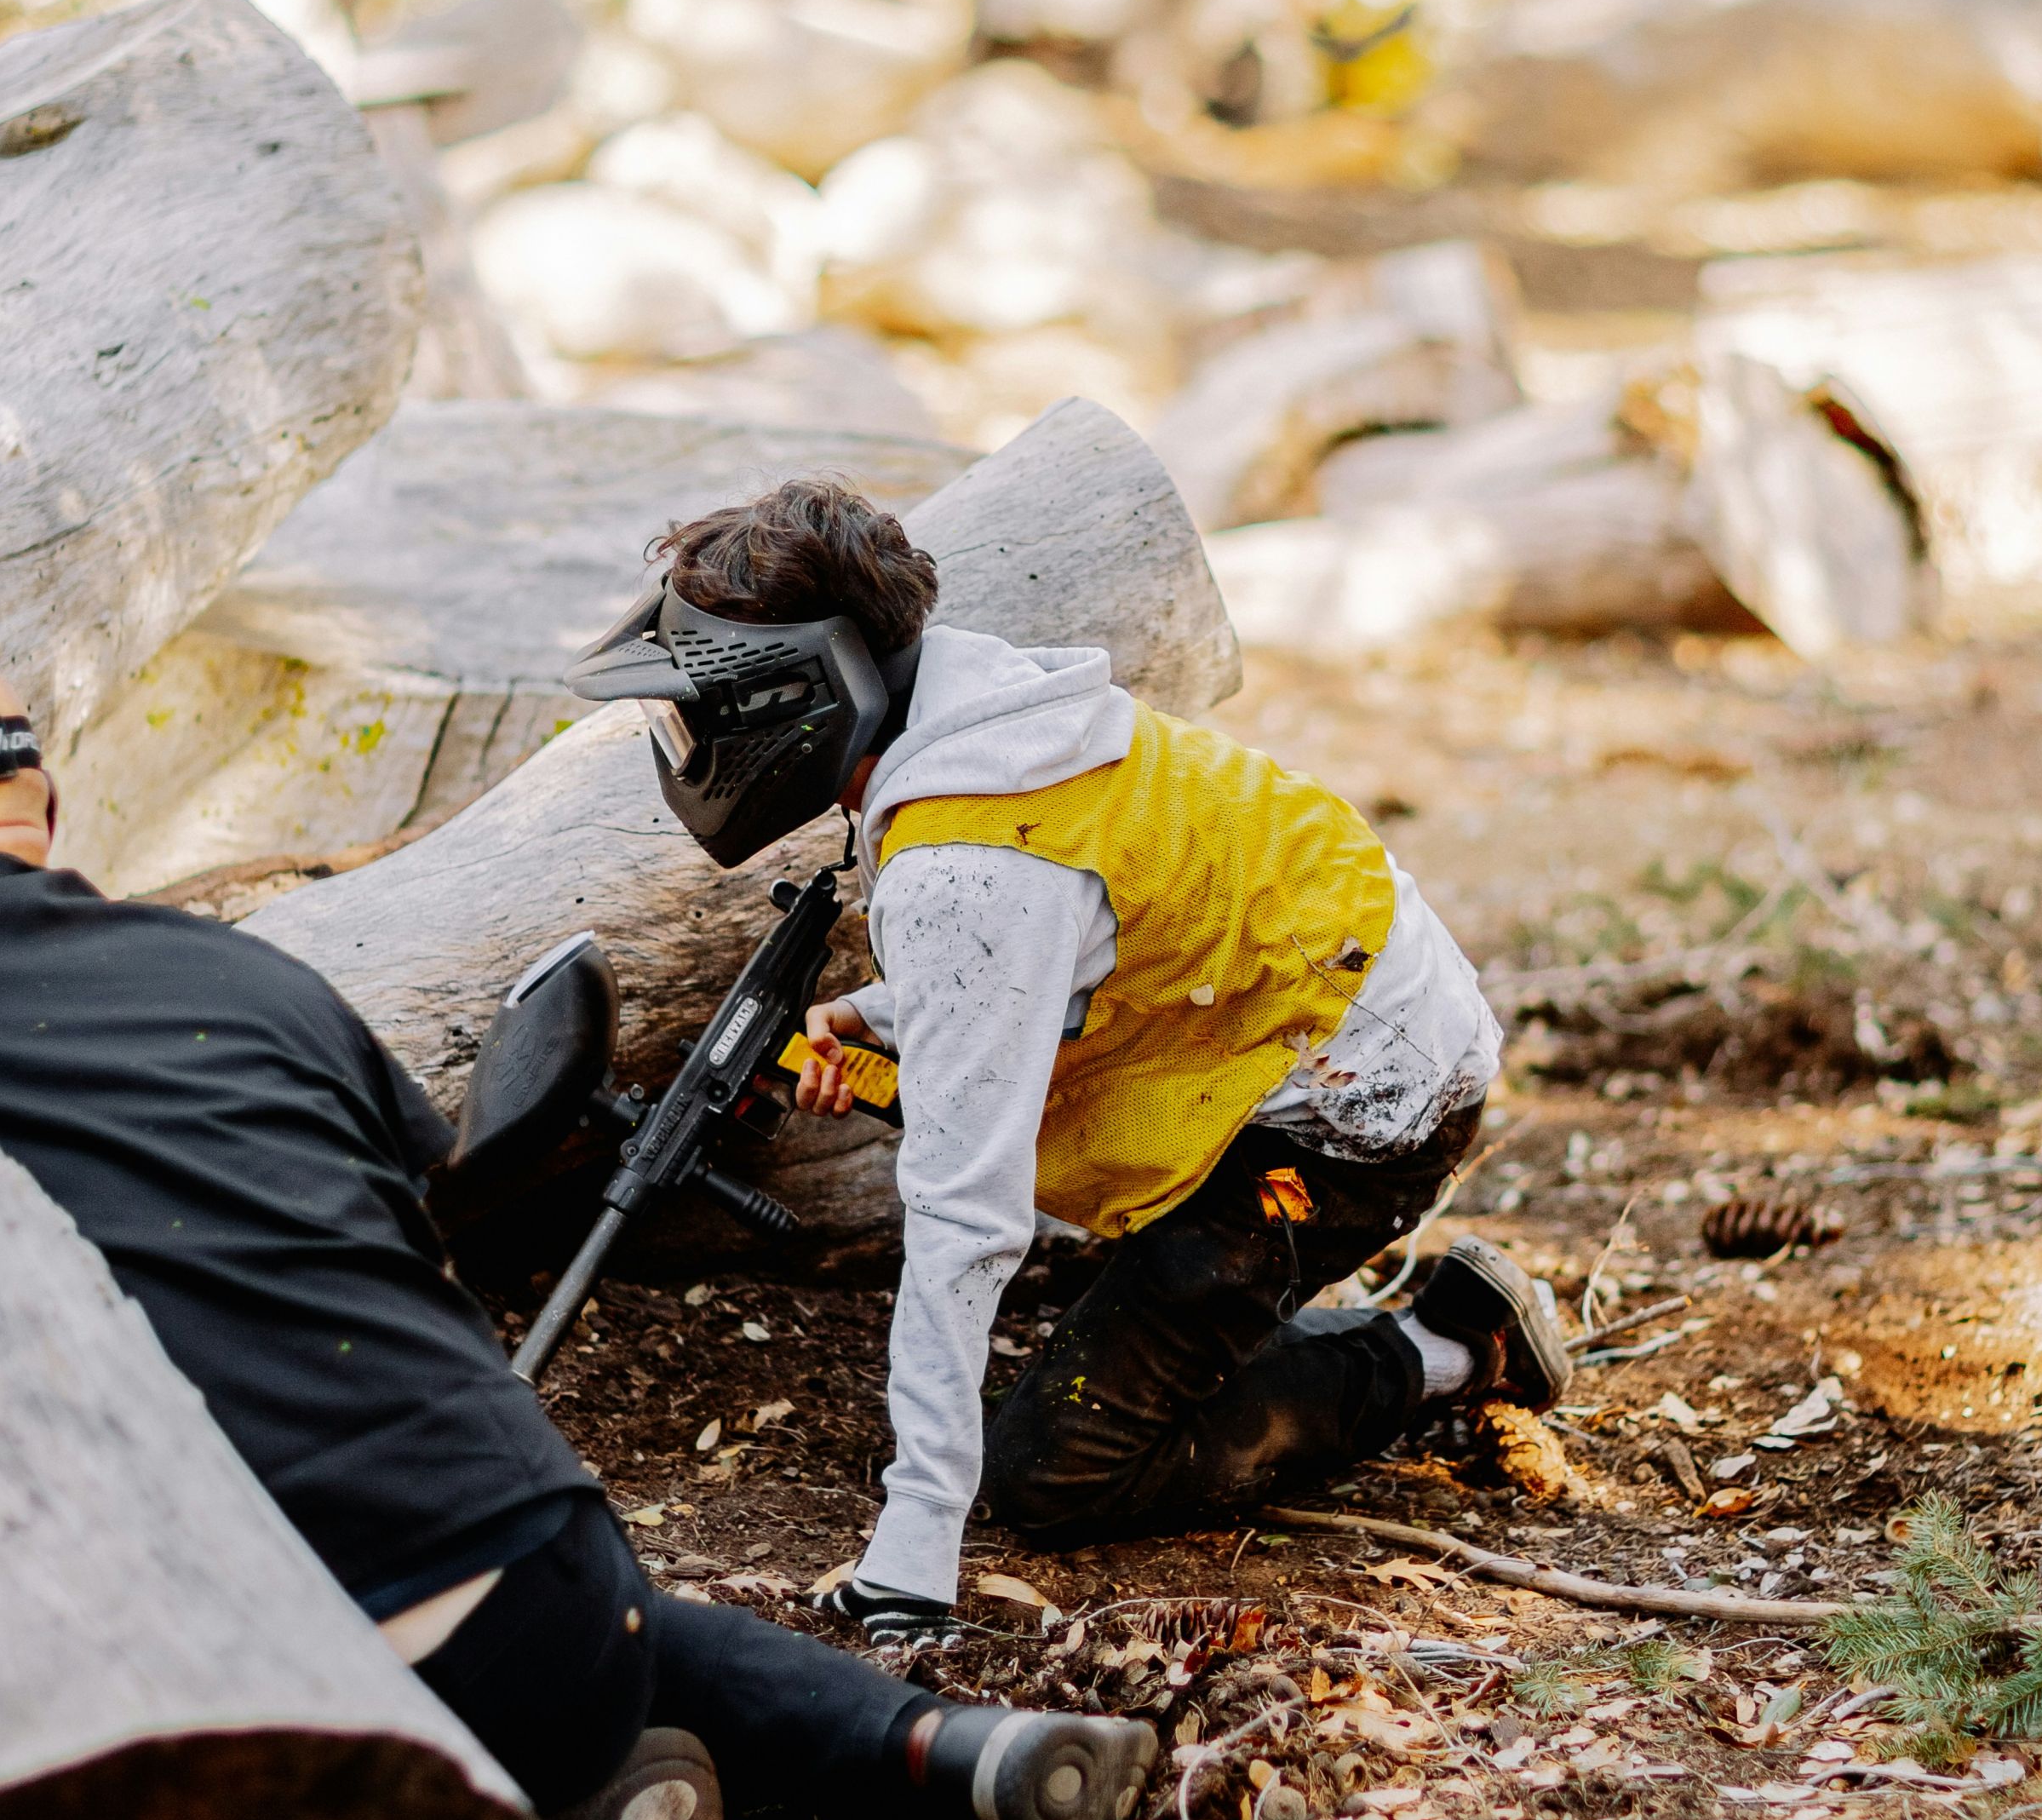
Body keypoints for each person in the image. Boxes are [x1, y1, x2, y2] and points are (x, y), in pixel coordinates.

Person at [0, 643, 1157, 1820]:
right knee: (589, 1623)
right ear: (46, 811)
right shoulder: (252, 981)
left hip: (237, 1656)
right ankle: (935, 1744)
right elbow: (419, 1221)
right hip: (541, 1591)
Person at [571, 482, 1569, 1649]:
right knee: (973, 1132)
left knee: (1056, 1474)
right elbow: (1075, 934)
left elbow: (963, 1213)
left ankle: (1449, 1345)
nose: (690, 743)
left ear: (797, 691)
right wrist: (896, 1015)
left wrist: (917, 1540)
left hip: (1353, 1126)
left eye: (706, 712)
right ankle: (1228, 1291)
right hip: (1299, 1018)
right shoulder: (977, 713)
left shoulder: (970, 861)